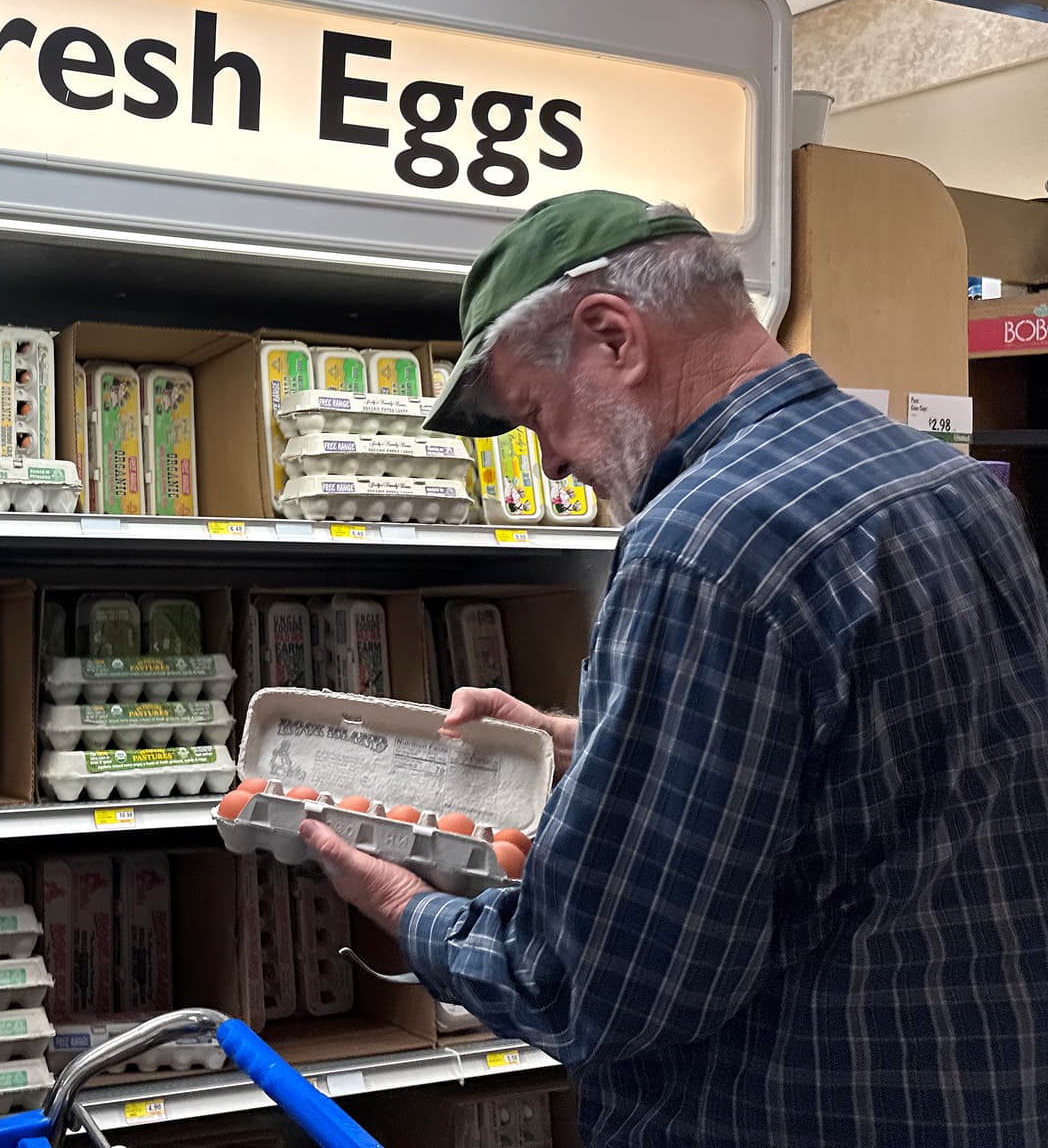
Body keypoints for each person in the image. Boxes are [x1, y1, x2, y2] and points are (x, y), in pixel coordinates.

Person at [302, 190, 1048, 1146]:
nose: (555, 465)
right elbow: (886, 773)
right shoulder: (941, 480)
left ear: (614, 338)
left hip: (787, 1109)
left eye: (537, 415)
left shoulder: (700, 543)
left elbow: (598, 982)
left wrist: (405, 906)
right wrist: (594, 745)